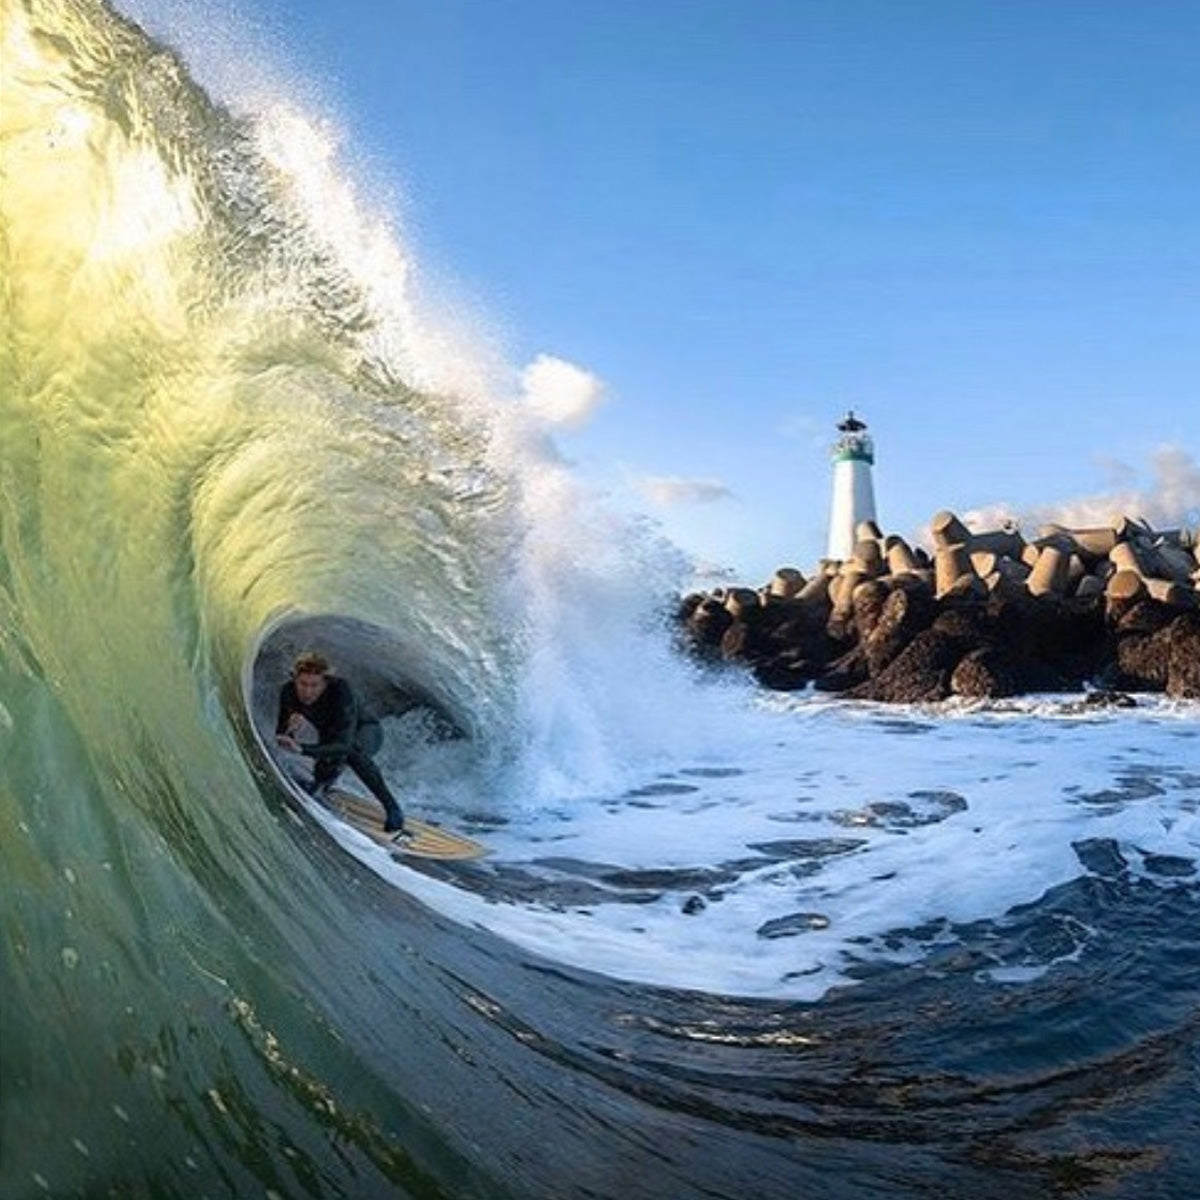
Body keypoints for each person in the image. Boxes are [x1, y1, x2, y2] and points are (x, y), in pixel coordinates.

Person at [275, 651, 407, 836]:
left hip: (366, 731)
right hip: (331, 735)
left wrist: (302, 749)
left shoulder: (341, 691)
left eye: (314, 685)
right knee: (325, 769)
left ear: (325, 683)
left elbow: (343, 744)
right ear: (294, 680)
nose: (307, 691)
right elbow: (281, 733)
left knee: (352, 753)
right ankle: (323, 784)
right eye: (303, 684)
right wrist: (289, 728)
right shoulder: (288, 692)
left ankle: (392, 808)